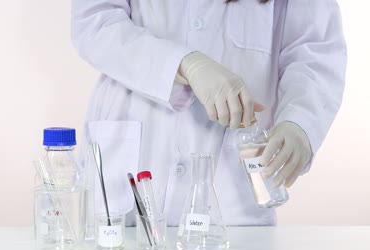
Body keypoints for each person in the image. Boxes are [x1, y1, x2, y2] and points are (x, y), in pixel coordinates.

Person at [71, 0, 347, 226]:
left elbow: (314, 49)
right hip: (133, 171)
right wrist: (183, 63)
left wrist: (299, 122)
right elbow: (95, 21)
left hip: (231, 193)